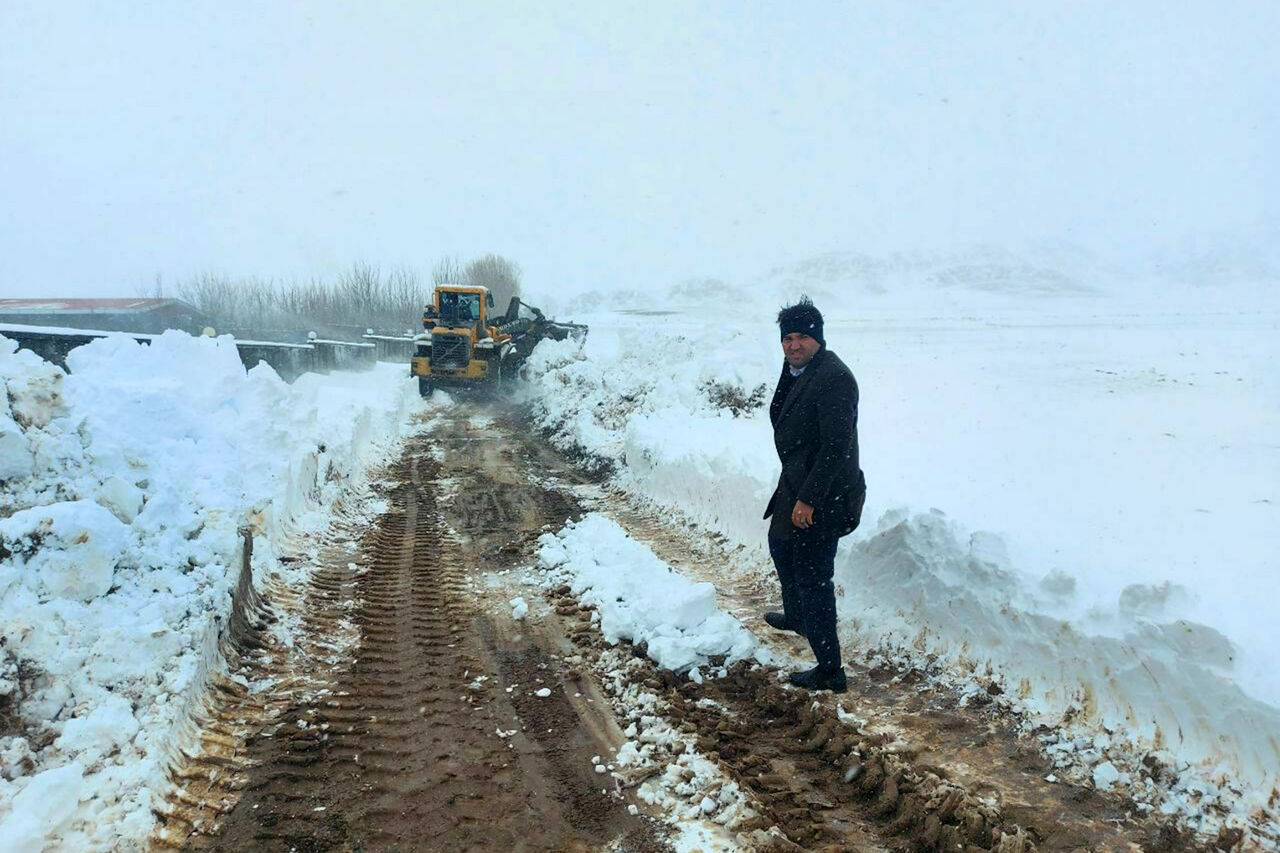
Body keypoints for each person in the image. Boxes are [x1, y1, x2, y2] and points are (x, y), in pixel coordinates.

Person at [762, 297, 866, 692]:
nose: (793, 344)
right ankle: (797, 616)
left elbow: (836, 448)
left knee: (813, 575)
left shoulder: (834, 378)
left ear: (818, 337)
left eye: (802, 336)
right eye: (787, 337)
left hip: (827, 490)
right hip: (799, 480)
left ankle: (830, 669)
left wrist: (809, 499)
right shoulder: (800, 371)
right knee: (779, 545)